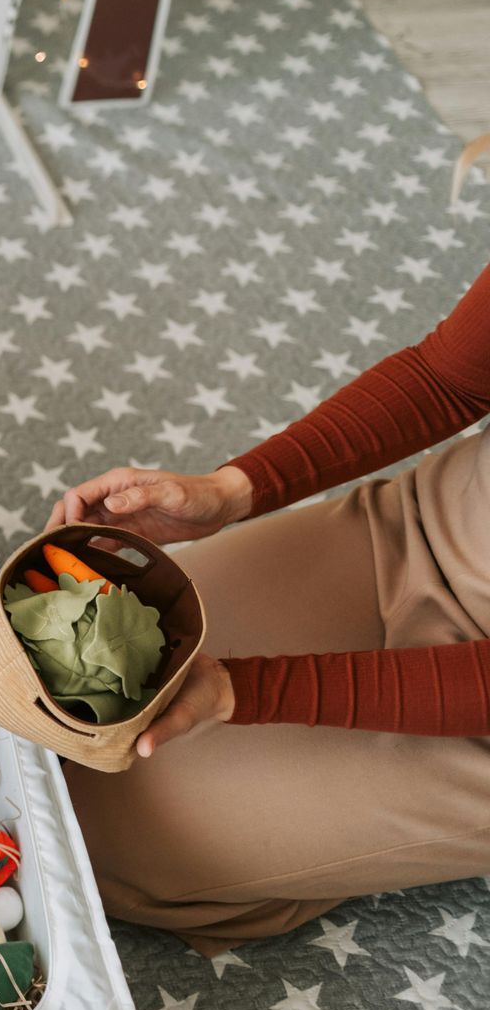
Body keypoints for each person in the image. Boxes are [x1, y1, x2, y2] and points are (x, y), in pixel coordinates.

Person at [49, 260, 490, 953]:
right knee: (97, 679)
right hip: (425, 527)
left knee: (99, 851)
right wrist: (229, 492)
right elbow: (449, 376)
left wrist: (244, 691)